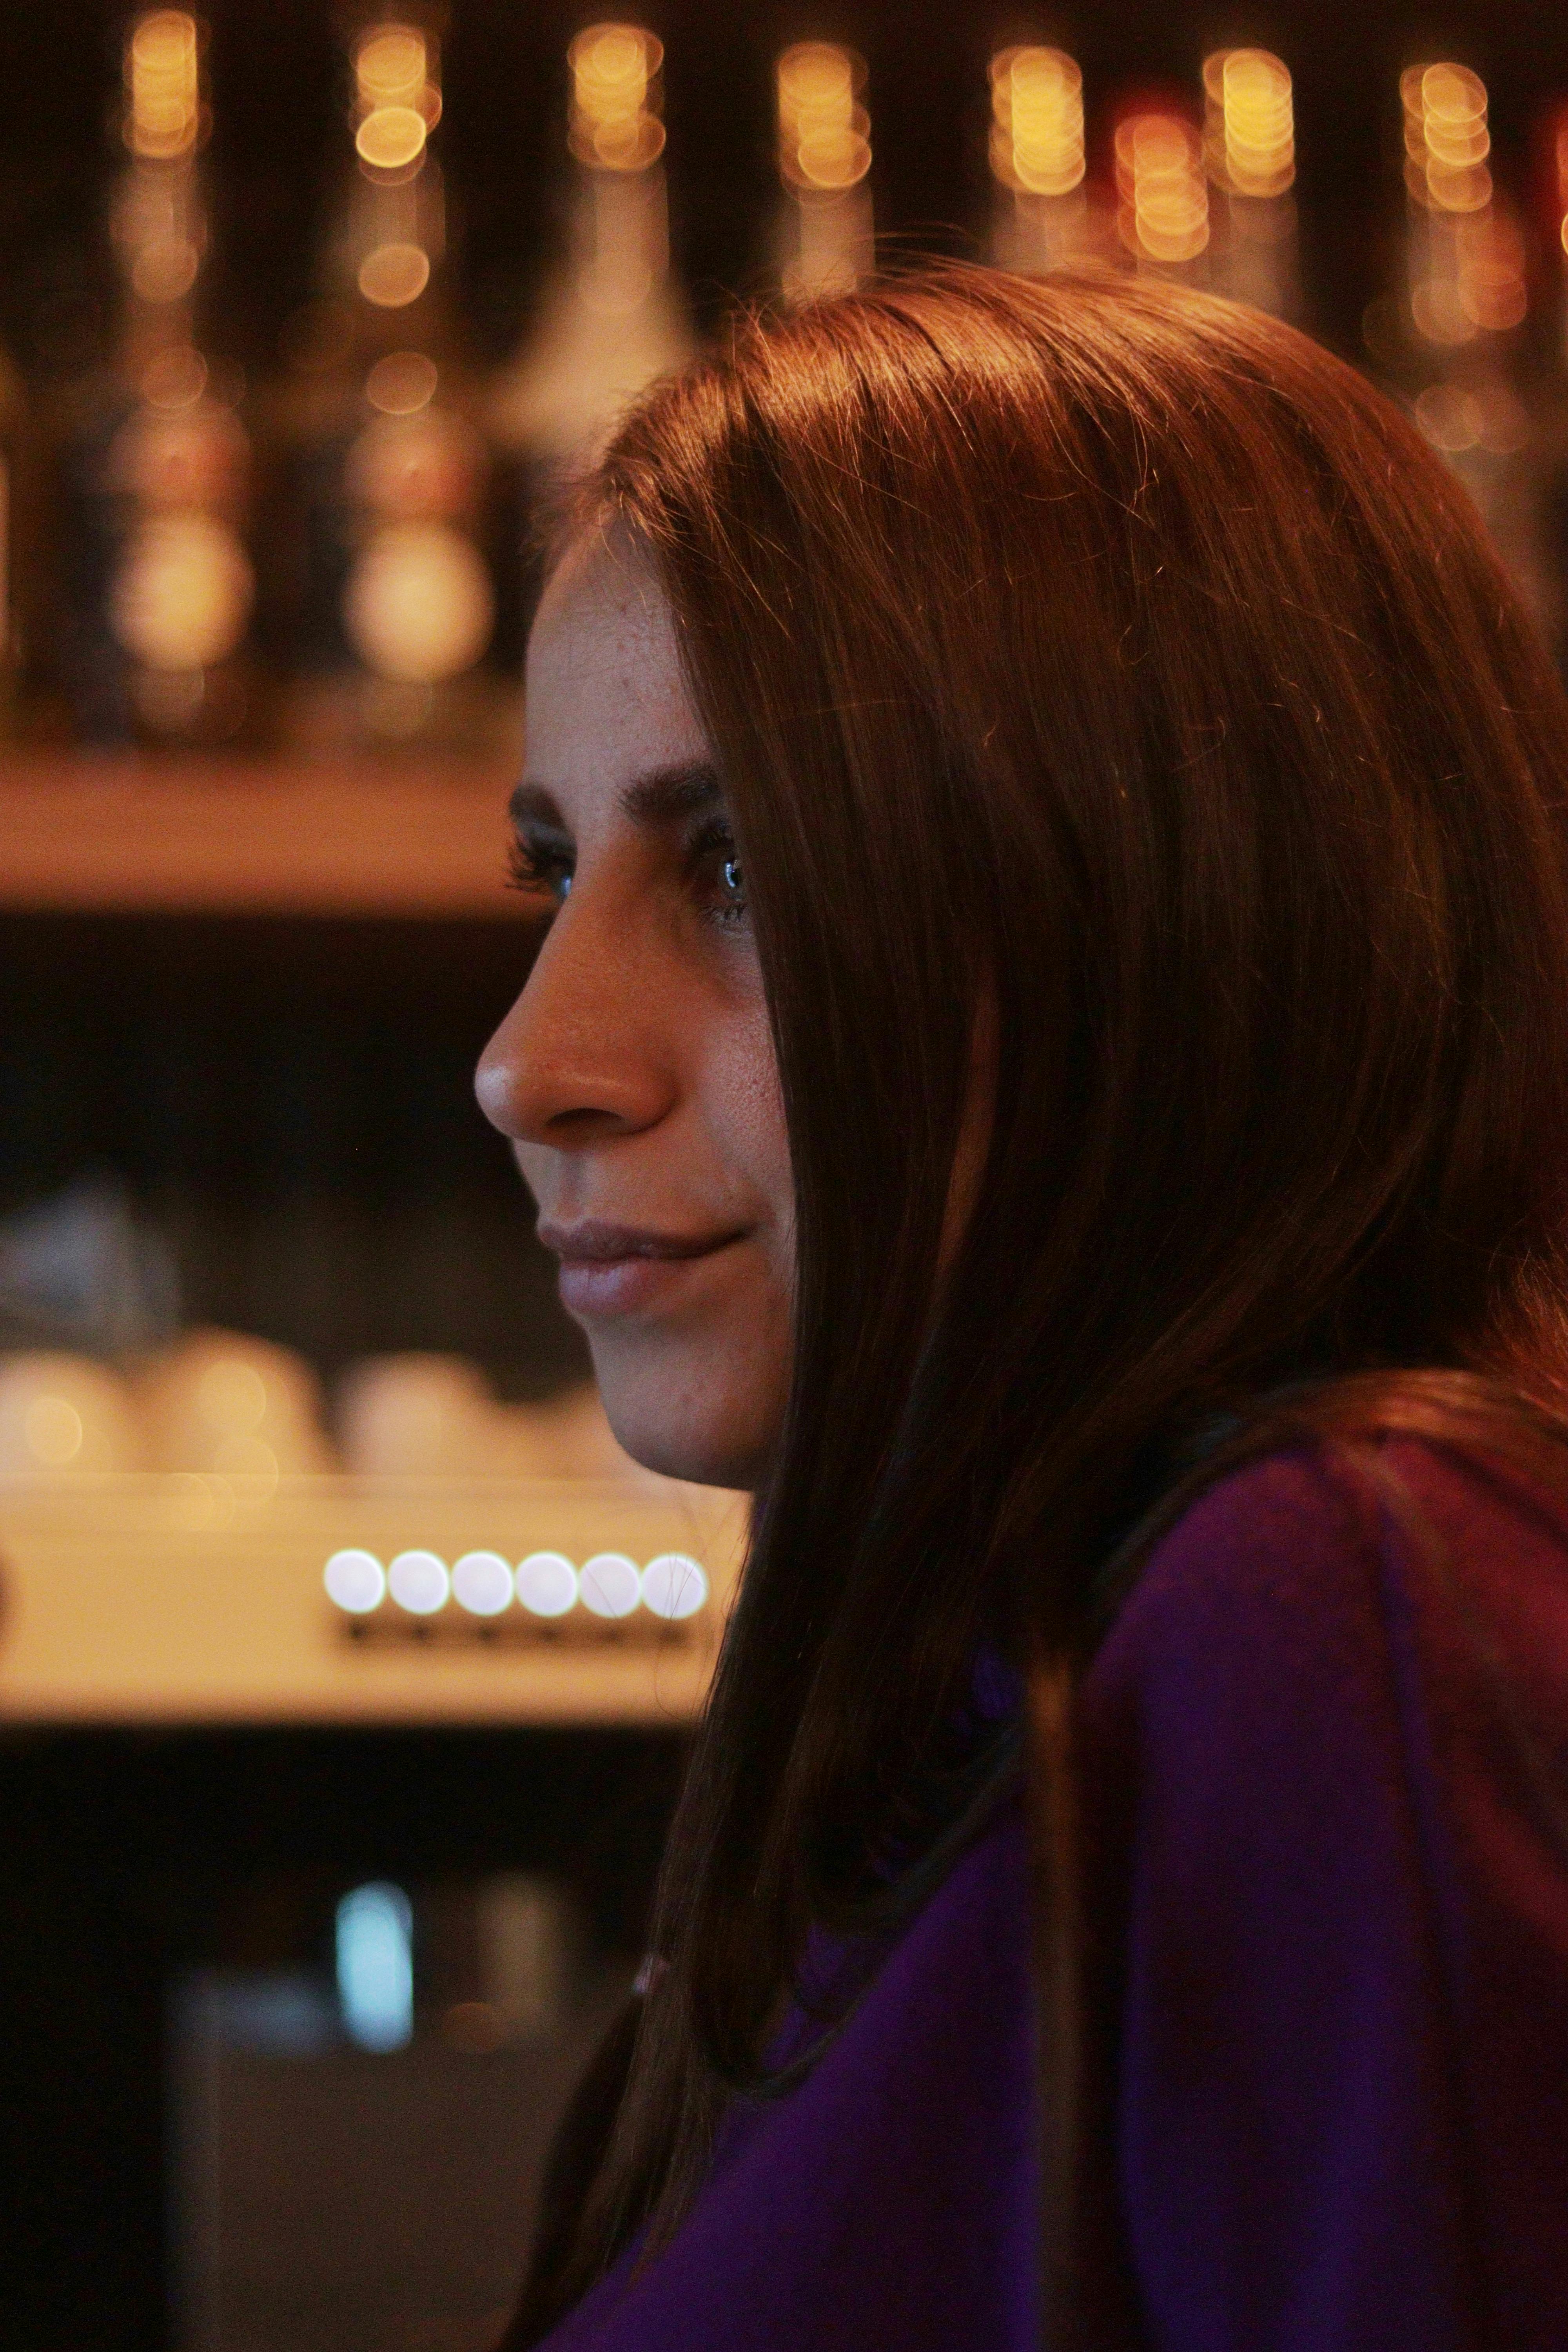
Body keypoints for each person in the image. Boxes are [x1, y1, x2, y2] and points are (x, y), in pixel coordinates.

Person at [474, 265, 1568, 2350]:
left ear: (1173, 904)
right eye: (556, 873)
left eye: (740, 874)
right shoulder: (999, 1701)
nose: (532, 1059)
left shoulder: (1344, 1602)